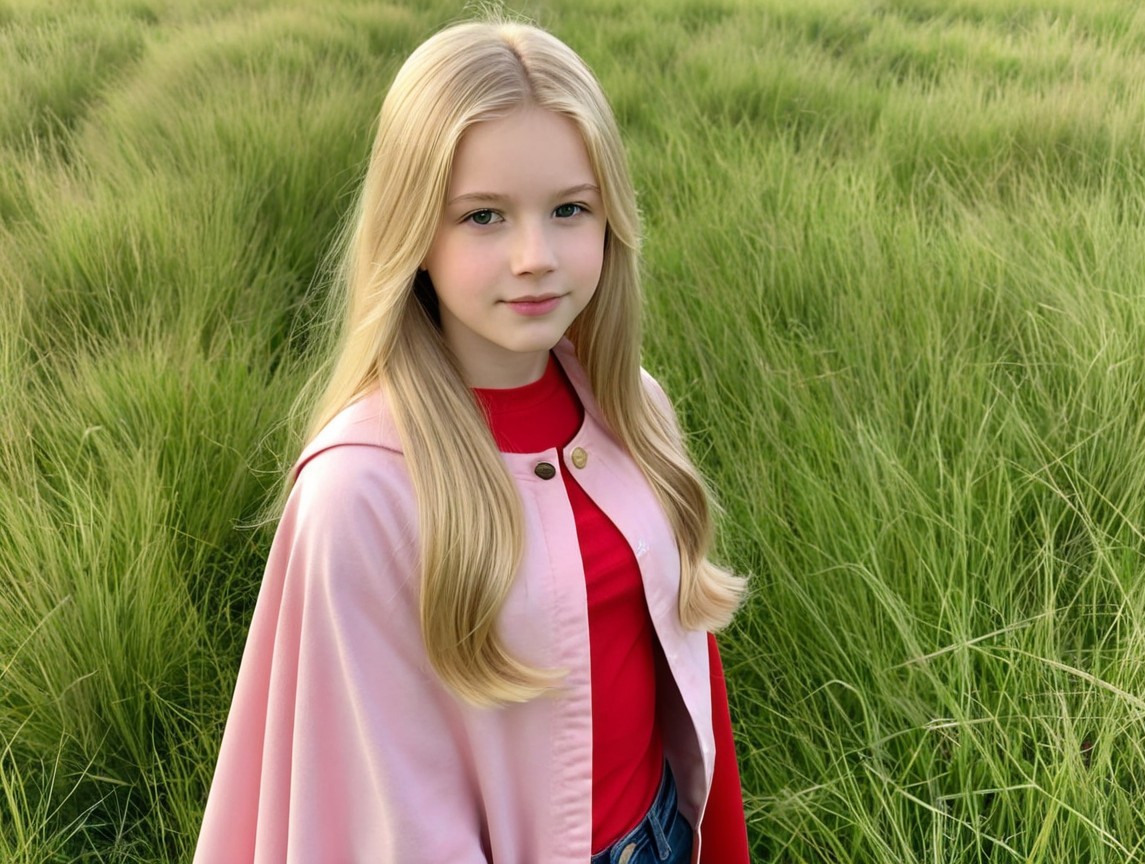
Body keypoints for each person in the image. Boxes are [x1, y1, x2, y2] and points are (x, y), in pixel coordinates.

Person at [194, 16, 749, 864]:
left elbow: (686, 668)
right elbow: (391, 807)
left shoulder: (635, 409)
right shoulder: (362, 494)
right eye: (483, 217)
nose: (536, 255)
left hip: (664, 833)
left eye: (570, 209)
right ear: (413, 232)